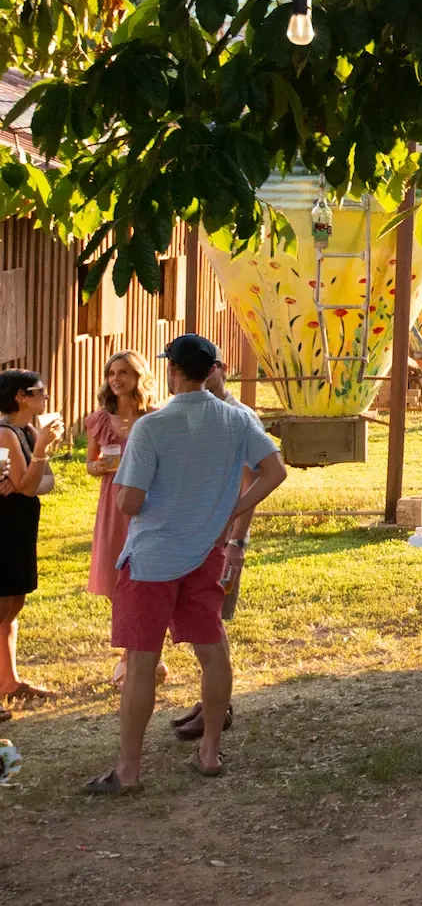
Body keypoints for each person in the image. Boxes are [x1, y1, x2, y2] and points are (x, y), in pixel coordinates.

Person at [84, 335, 287, 794]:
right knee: (213, 651)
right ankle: (210, 752)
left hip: (153, 557)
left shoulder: (151, 427)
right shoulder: (238, 419)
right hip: (206, 553)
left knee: (141, 661)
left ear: (173, 372)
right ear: (211, 370)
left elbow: (130, 503)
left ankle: (129, 771)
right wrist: (232, 511)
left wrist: (128, 490)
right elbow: (275, 471)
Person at [167, 346, 262, 741]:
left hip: (221, 541)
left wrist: (236, 541)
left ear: (218, 370)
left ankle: (217, 711)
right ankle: (210, 703)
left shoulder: (238, 418)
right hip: (190, 537)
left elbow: (253, 483)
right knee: (203, 625)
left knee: (211, 625)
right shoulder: (186, 413)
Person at [85, 351, 164, 688]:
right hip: (111, 504)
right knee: (115, 583)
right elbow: (90, 463)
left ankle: (141, 657)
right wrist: (99, 467)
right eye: (111, 373)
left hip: (146, 503)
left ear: (138, 377)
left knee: (145, 581)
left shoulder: (155, 418)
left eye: (123, 373)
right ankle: (131, 654)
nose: (116, 379)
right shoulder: (100, 419)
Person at [0, 370, 63, 721]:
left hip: (21, 523)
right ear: (22, 397)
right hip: (4, 525)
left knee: (12, 606)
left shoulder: (27, 431)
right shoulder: (5, 433)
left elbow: (46, 482)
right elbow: (26, 485)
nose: (46, 398)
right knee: (1, 606)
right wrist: (39, 454)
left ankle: (9, 681)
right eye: (40, 392)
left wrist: (36, 459)